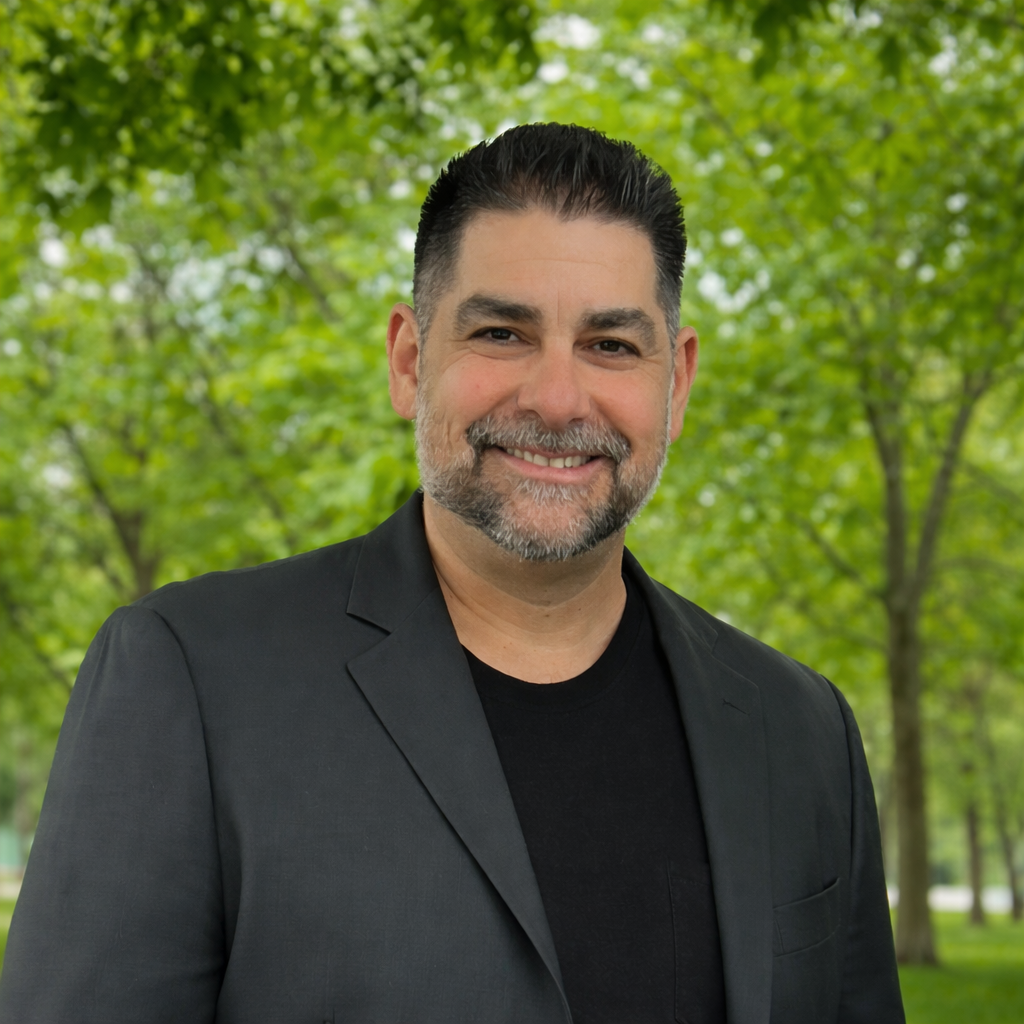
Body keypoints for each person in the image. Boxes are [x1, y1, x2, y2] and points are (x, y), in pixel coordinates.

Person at [0, 123, 904, 1024]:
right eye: (504, 333)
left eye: (612, 346)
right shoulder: (188, 681)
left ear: (678, 385)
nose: (557, 398)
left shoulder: (801, 728)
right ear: (409, 361)